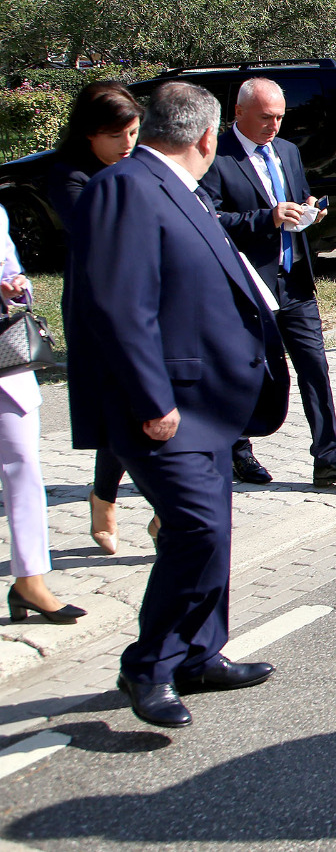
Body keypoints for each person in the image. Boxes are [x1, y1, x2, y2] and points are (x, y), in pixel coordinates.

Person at [67, 81, 289, 728]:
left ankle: (198, 653)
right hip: (163, 407)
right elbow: (118, 305)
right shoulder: (125, 187)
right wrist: (151, 398)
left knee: (212, 531)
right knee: (197, 530)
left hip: (208, 403)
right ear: (209, 137)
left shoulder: (175, 186)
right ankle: (148, 664)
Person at [201, 78, 336, 489]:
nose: (273, 125)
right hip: (247, 286)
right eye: (265, 117)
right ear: (238, 112)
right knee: (248, 371)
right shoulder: (216, 156)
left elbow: (300, 196)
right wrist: (269, 217)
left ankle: (328, 457)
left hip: (294, 280)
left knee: (315, 367)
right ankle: (239, 453)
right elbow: (208, 221)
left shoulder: (287, 151)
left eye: (279, 117)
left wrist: (311, 209)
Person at [46, 81, 153, 555]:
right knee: (121, 408)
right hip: (100, 308)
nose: (128, 144)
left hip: (153, 301)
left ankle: (161, 507)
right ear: (89, 133)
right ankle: (107, 497)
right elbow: (101, 233)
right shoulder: (69, 174)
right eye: (116, 136)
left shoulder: (141, 163)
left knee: (158, 405)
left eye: (133, 132)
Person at [1, 206, 86, 626]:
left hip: (6, 364)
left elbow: (16, 275)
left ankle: (30, 580)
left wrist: (17, 288)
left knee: (24, 468)